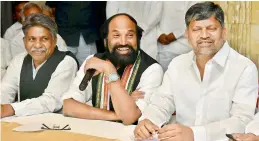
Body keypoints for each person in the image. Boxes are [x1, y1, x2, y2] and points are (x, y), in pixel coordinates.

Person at [134, 2, 258, 141]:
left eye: (211, 28)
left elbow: (242, 122)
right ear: (187, 34)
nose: (204, 35)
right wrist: (147, 121)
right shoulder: (177, 64)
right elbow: (162, 102)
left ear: (224, 32)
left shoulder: (244, 68)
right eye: (197, 29)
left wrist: (195, 134)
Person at [62, 13, 163, 125]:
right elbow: (68, 106)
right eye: (116, 36)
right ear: (105, 41)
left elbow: (129, 118)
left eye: (130, 36)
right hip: (96, 131)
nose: (123, 42)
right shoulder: (93, 61)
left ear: (138, 40)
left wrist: (110, 70)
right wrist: (117, 114)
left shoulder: (151, 69)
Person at [1, 13, 78, 118]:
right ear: (24, 41)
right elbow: (5, 91)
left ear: (54, 40)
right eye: (32, 39)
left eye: (44, 39)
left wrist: (11, 109)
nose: (37, 45)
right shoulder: (19, 60)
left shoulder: (66, 62)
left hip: (56, 126)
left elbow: (51, 101)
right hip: (22, 123)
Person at [157, 1, 196, 71]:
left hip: (185, 49)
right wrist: (158, 34)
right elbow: (150, 17)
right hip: (162, 50)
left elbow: (194, 20)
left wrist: (175, 35)